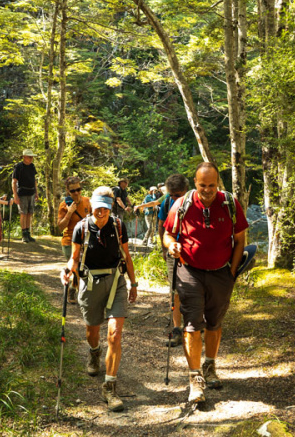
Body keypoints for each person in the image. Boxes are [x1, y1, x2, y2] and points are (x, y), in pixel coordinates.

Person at [162, 163, 248, 404]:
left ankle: (209, 366)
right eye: (202, 185)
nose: (207, 190)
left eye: (212, 185)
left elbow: (240, 239)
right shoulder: (182, 204)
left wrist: (231, 272)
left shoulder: (229, 203)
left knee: (214, 323)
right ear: (195, 183)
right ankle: (195, 379)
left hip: (221, 273)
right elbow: (167, 233)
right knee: (191, 325)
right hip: (189, 271)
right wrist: (172, 246)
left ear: (217, 183)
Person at [60, 187, 139, 412]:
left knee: (114, 334)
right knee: (92, 330)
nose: (101, 211)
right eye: (98, 207)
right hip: (90, 283)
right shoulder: (81, 228)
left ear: (110, 207)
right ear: (92, 206)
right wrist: (67, 271)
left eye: (105, 207)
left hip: (116, 281)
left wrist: (133, 284)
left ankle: (110, 386)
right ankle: (94, 352)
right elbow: (74, 259)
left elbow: (126, 256)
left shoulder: (118, 226)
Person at [157, 173, 189, 347]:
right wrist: (165, 248)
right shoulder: (167, 202)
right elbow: (162, 225)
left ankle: (194, 326)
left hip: (192, 253)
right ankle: (177, 328)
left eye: (178, 195)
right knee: (175, 291)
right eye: (172, 195)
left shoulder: (194, 202)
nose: (175, 198)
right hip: (172, 251)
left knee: (193, 290)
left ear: (186, 190)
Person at [57, 176, 92, 304]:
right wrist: (69, 213)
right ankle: (76, 290)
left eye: (78, 189)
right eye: (73, 191)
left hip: (86, 241)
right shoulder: (64, 205)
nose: (76, 193)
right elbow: (60, 227)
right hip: (69, 242)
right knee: (76, 267)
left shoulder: (88, 201)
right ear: (68, 191)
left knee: (84, 268)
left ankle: (73, 287)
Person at [12, 149, 39, 243]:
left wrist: (36, 192)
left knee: (29, 213)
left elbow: (34, 180)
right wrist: (15, 195)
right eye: (29, 157)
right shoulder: (19, 167)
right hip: (22, 193)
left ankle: (28, 233)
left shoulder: (32, 166)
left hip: (31, 192)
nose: (31, 159)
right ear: (24, 157)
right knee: (23, 213)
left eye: (32, 157)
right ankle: (24, 234)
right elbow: (14, 181)